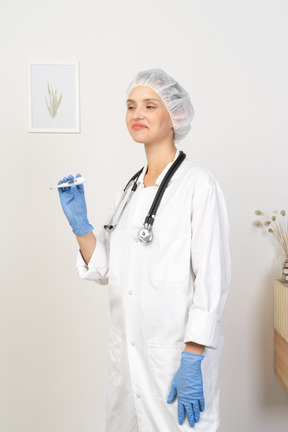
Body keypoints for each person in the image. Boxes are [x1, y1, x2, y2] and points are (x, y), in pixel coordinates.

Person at [57, 68, 231, 432]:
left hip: (174, 360)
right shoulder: (130, 189)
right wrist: (81, 226)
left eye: (150, 106)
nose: (137, 114)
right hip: (129, 364)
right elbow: (105, 270)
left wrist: (193, 356)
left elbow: (211, 281)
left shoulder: (198, 184)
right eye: (131, 106)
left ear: (175, 117)